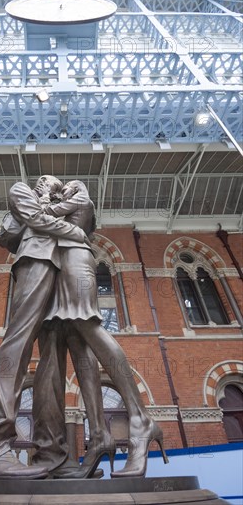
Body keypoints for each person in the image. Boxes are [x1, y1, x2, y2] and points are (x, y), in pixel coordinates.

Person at [33, 180, 168, 478]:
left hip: (76, 262)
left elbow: (43, 216)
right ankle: (98, 435)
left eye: (65, 186)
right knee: (75, 337)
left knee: (86, 323)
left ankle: (140, 419)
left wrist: (44, 197)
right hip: (63, 265)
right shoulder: (73, 206)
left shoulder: (80, 200)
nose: (61, 188)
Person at [0, 175, 89, 480]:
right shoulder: (21, 190)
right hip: (35, 260)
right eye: (52, 180)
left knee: (53, 363)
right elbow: (30, 222)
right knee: (17, 343)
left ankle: (52, 454)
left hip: (62, 272)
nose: (57, 184)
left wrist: (66, 214)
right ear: (40, 182)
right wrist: (74, 231)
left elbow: (81, 210)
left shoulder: (61, 203)